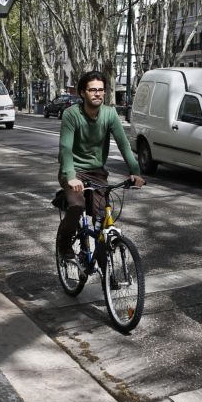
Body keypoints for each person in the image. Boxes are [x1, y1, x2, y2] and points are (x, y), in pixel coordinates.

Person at [56, 70, 146, 261]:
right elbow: (65, 149)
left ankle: (99, 257)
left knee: (103, 214)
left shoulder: (110, 114)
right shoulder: (71, 115)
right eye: (92, 90)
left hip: (97, 173)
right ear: (82, 93)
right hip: (73, 171)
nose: (97, 94)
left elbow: (123, 144)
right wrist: (71, 176)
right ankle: (63, 245)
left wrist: (135, 172)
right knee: (77, 205)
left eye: (101, 90)